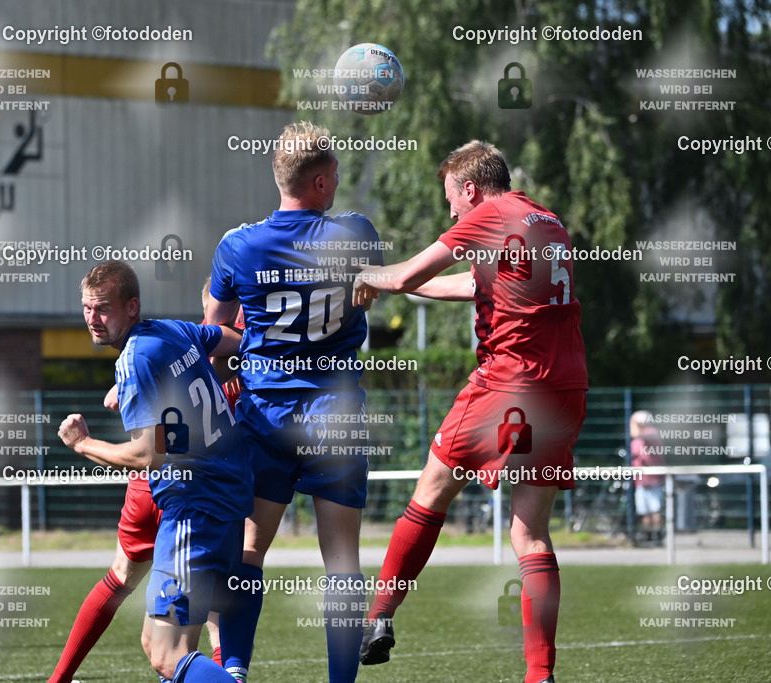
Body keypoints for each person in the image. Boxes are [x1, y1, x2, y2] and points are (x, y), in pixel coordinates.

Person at [353, 141, 588, 683]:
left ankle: (378, 618)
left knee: (430, 492)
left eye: (451, 200)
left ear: (470, 189)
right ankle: (540, 674)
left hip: (508, 386)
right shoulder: (543, 220)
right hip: (565, 386)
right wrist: (409, 289)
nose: (451, 213)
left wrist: (367, 276)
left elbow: (408, 273)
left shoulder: (489, 214)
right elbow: (479, 285)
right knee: (530, 534)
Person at [206, 121, 383, 683]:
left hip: (265, 417)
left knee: (249, 551)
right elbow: (367, 299)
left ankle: (232, 669)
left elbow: (214, 332)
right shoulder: (355, 232)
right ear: (325, 181)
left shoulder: (238, 245)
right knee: (342, 560)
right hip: (336, 416)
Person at [57, 260, 249, 682]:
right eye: (87, 308)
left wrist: (82, 444)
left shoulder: (135, 360)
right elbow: (235, 340)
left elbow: (148, 457)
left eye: (103, 308)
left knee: (165, 653)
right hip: (229, 495)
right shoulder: (175, 331)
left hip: (192, 506)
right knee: (173, 647)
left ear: (131, 307)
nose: (93, 319)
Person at [629, 410, 664, 545]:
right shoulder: (635, 442)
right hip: (640, 481)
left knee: (655, 510)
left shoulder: (652, 433)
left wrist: (635, 423)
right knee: (644, 511)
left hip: (653, 479)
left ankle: (658, 536)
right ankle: (648, 536)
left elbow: (636, 433)